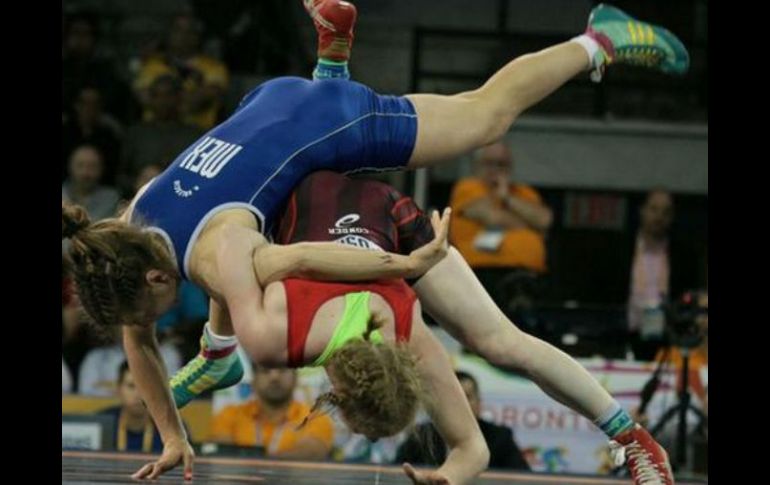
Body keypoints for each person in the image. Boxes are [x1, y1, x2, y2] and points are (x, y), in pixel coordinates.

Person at [62, 1, 688, 481]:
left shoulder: (221, 253)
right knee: (238, 273)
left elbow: (304, 256)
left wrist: (405, 262)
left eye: (146, 314)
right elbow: (137, 333)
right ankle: (329, 58)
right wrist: (174, 436)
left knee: (487, 114)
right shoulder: (130, 222)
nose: (143, 330)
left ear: (152, 278)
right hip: (272, 104)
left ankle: (595, 39)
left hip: (338, 125)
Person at [396, 371, 530, 470]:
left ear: (479, 404)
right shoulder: (421, 436)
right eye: (454, 398)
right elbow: (393, 472)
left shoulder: (499, 437)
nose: (462, 405)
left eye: (468, 397)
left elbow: (521, 477)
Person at [210, 364, 334, 460]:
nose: (274, 377)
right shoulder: (229, 415)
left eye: (283, 370)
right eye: (265, 371)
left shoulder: (314, 417)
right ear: (253, 381)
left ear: (296, 379)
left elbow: (313, 452)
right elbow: (221, 453)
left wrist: (261, 463)